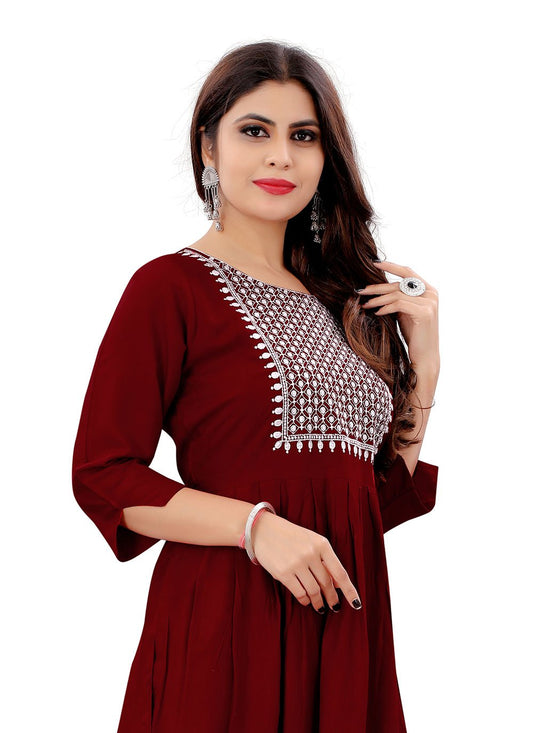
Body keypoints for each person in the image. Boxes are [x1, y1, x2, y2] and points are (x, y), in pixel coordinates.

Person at [72, 39, 440, 733]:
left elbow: (375, 498)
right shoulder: (169, 287)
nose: (280, 156)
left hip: (344, 633)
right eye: (254, 131)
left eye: (303, 136)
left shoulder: (343, 302)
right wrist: (255, 528)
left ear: (326, 157)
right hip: (228, 627)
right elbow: (104, 474)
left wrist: (424, 360)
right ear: (208, 148)